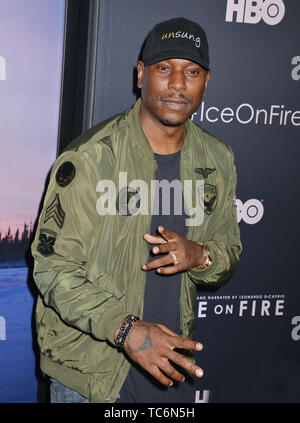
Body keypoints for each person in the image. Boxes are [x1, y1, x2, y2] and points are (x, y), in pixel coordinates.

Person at [31, 17, 242, 403]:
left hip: (170, 365)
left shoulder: (218, 158)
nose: (178, 84)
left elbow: (227, 253)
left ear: (206, 81)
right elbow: (53, 270)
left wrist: (201, 256)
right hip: (92, 375)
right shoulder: (91, 159)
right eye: (164, 69)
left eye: (191, 71)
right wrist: (126, 329)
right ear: (141, 74)